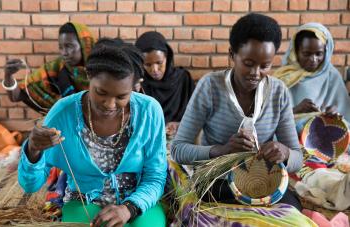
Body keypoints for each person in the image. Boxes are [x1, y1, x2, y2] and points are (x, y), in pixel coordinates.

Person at [171, 14, 309, 225]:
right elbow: (178, 150)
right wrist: (221, 150)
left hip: (263, 182)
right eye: (248, 63)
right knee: (208, 212)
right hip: (217, 182)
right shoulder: (210, 87)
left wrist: (285, 153)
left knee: (293, 211)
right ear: (232, 55)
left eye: (265, 66)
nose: (256, 73)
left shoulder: (278, 92)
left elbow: (298, 159)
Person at [18, 44, 167, 226]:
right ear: (89, 76)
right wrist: (33, 149)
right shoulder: (63, 114)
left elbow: (156, 175)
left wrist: (129, 208)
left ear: (135, 86)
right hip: (83, 201)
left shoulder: (149, 111)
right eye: (101, 92)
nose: (110, 105)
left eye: (121, 96)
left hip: (139, 200)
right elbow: (30, 185)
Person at [3, 22, 94, 113]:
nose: (64, 53)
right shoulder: (55, 68)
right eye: (61, 47)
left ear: (85, 45)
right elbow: (16, 96)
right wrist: (8, 76)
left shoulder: (102, 71)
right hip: (64, 126)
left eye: (69, 46)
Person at [273, 23, 350, 123]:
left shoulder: (332, 76)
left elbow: (346, 118)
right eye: (306, 54)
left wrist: (335, 114)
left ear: (326, 53)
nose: (313, 59)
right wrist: (296, 110)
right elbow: (269, 120)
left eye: (319, 54)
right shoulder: (283, 77)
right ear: (296, 52)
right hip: (289, 135)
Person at [135, 31, 195, 137]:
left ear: (167, 58)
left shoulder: (183, 79)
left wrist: (179, 125)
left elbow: (197, 115)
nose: (154, 70)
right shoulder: (138, 84)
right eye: (147, 64)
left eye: (159, 63)